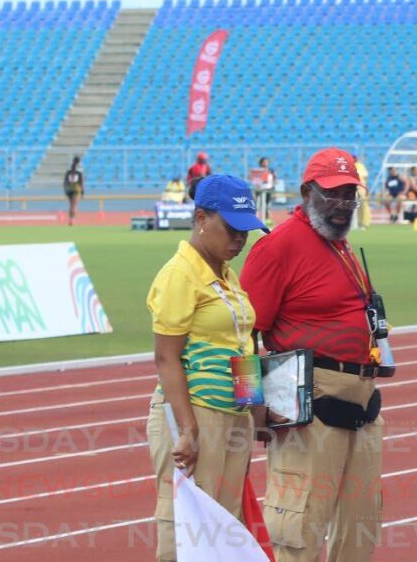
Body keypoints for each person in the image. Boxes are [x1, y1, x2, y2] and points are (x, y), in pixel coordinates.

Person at [240, 148, 383, 562]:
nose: (341, 206)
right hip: (310, 402)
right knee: (299, 528)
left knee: (360, 526)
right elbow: (242, 333)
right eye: (332, 195)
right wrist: (253, 402)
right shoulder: (278, 247)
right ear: (306, 192)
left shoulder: (340, 243)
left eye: (349, 196)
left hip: (362, 404)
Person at [145, 175, 269, 562]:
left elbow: (241, 344)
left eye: (246, 230)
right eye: (232, 228)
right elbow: (166, 357)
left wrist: (255, 410)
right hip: (195, 413)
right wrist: (187, 428)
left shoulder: (227, 277)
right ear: (201, 218)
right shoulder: (180, 274)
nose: (240, 240)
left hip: (233, 416)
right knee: (185, 528)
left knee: (225, 527)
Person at [250, 157, 276, 225]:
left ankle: (267, 220)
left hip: (268, 190)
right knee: (257, 205)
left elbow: (275, 179)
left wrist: (273, 185)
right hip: (259, 189)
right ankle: (255, 220)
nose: (265, 163)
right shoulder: (258, 170)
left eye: (267, 162)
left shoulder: (271, 170)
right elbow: (254, 179)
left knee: (267, 206)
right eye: (264, 162)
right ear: (261, 163)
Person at [63, 155, 84, 226]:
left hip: (69, 188)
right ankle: (72, 220)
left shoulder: (68, 169)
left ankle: (70, 219)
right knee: (74, 205)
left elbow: (65, 180)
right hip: (76, 188)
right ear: (78, 162)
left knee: (71, 205)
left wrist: (65, 189)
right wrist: (82, 191)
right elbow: (81, 182)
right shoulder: (80, 169)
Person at [354, 155, 371, 229]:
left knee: (363, 205)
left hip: (361, 188)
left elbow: (365, 178)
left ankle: (364, 223)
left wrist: (366, 188)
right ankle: (355, 223)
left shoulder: (361, 166)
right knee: (353, 205)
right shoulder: (349, 166)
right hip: (353, 188)